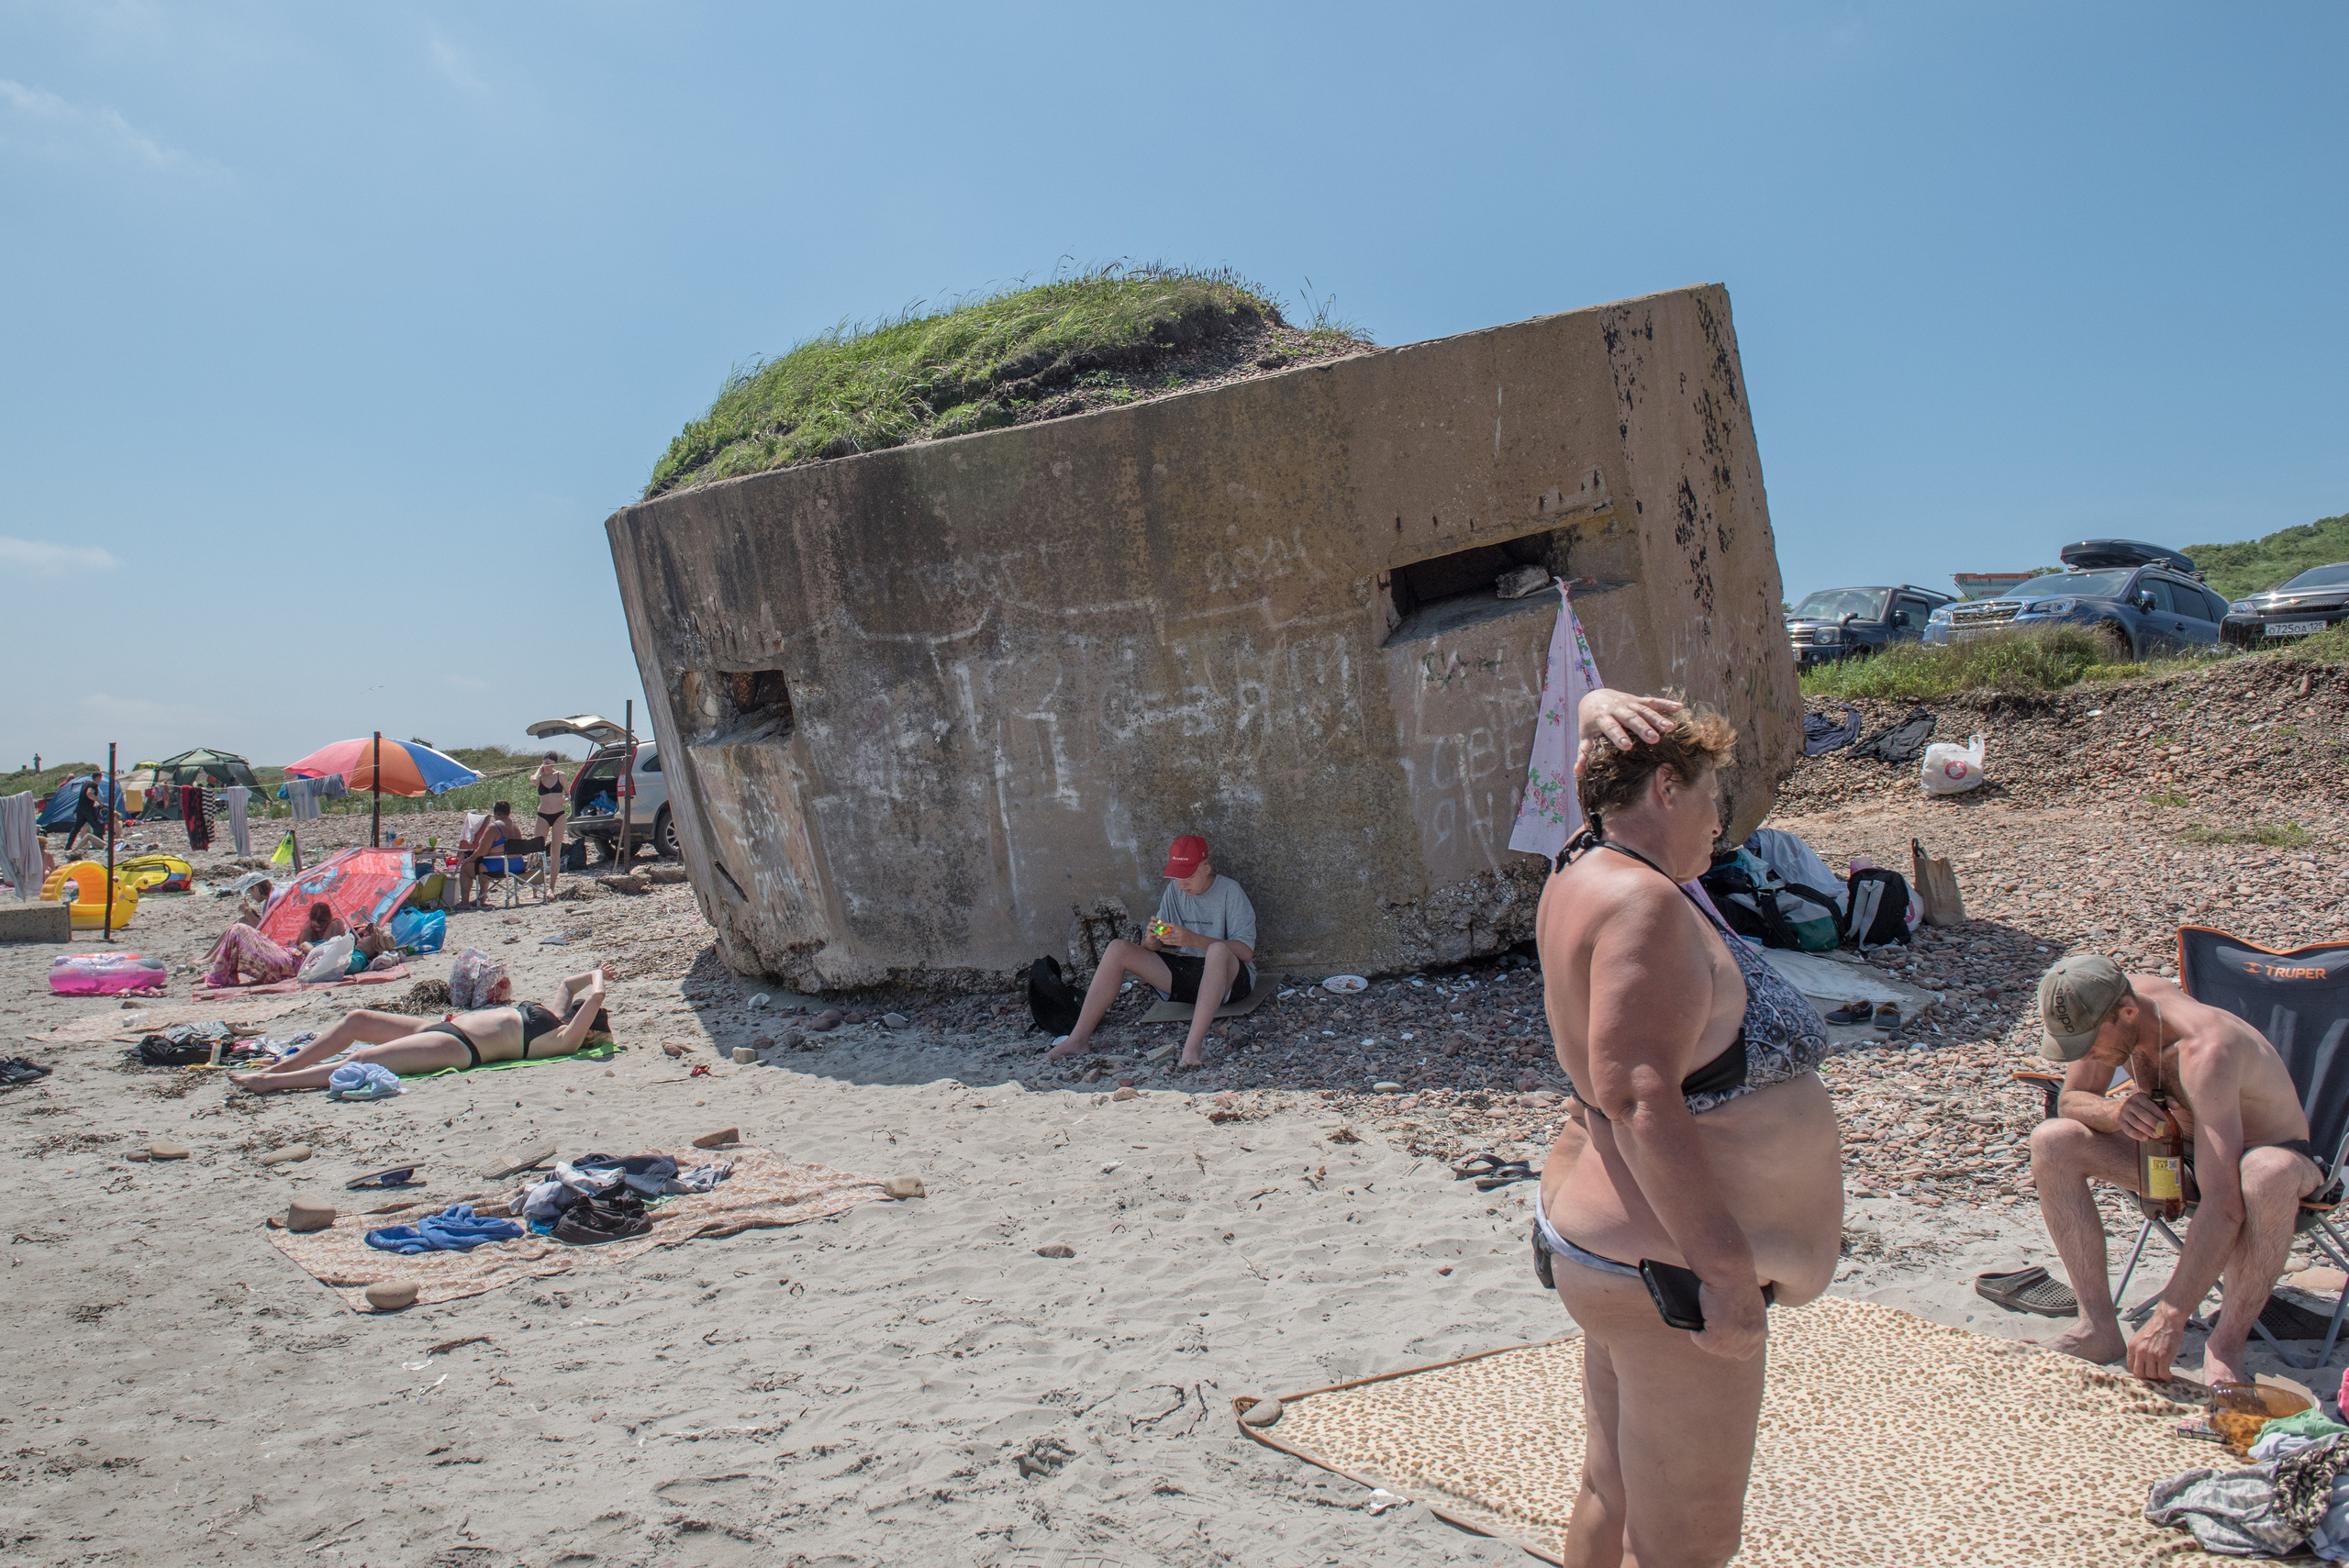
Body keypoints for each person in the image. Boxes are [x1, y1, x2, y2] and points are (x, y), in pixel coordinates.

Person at [1534, 697, 1843, 1568]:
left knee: (1613, 1492)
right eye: (1714, 795)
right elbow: (1637, 1095)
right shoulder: (1644, 905)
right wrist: (1726, 1275)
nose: (1723, 820)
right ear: (1666, 787)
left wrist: (1598, 705)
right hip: (1667, 1271)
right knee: (1690, 1546)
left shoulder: (1581, 858)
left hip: (1610, 1244)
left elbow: (1597, 766)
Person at [2027, 955, 2323, 1385]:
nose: (2087, 1055)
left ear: (2128, 1012)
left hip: (2271, 1160)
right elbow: (2071, 1100)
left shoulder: (2207, 1051)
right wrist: (2115, 1110)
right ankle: (2097, 1328)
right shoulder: (2111, 1005)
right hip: (2178, 1154)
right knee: (2053, 1140)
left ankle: (2226, 1346)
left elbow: (2224, 1207)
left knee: (2266, 1172)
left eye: (2090, 1045)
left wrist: (2170, 1316)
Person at [228, 962, 616, 1093]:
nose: (577, 1011)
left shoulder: (563, 1041)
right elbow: (568, 985)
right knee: (357, 1020)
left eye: (583, 1016)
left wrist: (599, 987)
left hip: (460, 1048)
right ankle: (279, 1067)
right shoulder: (555, 1015)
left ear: (587, 1031)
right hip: (442, 1025)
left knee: (363, 1058)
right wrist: (598, 970)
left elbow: (594, 998)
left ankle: (271, 1083)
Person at [1046, 835, 1256, 1071]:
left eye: (1188, 876)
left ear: (1206, 869)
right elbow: (1152, 950)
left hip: (1229, 981)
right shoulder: (1174, 892)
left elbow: (1246, 953)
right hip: (1187, 973)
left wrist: (1195, 940)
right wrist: (1152, 938)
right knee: (1118, 948)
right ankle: (1078, 1039)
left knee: (1217, 951)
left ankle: (1192, 1047)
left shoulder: (1230, 891)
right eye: (1177, 876)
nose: (1182, 883)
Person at [456, 802, 519, 907]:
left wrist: (469, 859)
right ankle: (481, 899)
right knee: (483, 864)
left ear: (496, 813)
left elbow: (482, 851)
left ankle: (464, 903)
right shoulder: (515, 828)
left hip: (500, 867)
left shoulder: (494, 827)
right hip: (517, 865)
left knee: (466, 867)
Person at [532, 753, 573, 893]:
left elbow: (568, 794)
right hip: (543, 815)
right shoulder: (540, 777)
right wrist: (540, 769)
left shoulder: (560, 775)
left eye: (549, 763)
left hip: (558, 815)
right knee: (537, 850)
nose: (547, 766)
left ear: (554, 764)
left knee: (555, 851)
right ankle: (536, 889)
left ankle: (551, 888)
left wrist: (566, 800)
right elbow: (533, 780)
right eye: (545, 763)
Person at [62, 780, 105, 853]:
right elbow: (89, 793)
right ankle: (99, 844)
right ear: (99, 778)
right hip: (88, 808)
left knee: (76, 828)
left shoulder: (85, 784)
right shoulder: (93, 784)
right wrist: (99, 801)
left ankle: (68, 846)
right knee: (96, 825)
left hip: (80, 808)